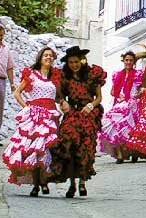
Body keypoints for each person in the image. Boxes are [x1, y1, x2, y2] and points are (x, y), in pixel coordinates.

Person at [2, 47, 62, 197]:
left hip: (50, 116)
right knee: (34, 149)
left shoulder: (55, 78)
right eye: (45, 55)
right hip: (34, 116)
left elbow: (59, 97)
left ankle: (44, 181)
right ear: (40, 58)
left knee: (46, 149)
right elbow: (17, 93)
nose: (48, 58)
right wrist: (27, 107)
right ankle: (36, 183)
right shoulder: (31, 75)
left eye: (51, 56)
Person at [50, 46, 107, 198]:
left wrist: (91, 105)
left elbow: (99, 98)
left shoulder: (92, 75)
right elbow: (58, 95)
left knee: (85, 148)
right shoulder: (64, 77)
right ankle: (72, 184)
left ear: (82, 61)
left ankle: (82, 182)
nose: (74, 65)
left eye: (76, 62)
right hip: (72, 113)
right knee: (68, 145)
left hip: (88, 113)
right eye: (71, 62)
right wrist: (63, 102)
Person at [98, 51, 143, 164]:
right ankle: (119, 154)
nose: (128, 62)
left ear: (134, 62)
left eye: (130, 60)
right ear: (123, 61)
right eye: (126, 60)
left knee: (131, 128)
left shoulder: (138, 74)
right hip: (120, 103)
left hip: (133, 103)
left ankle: (133, 151)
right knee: (112, 123)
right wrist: (118, 95)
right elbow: (112, 91)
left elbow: (142, 89)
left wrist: (137, 94)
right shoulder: (117, 74)